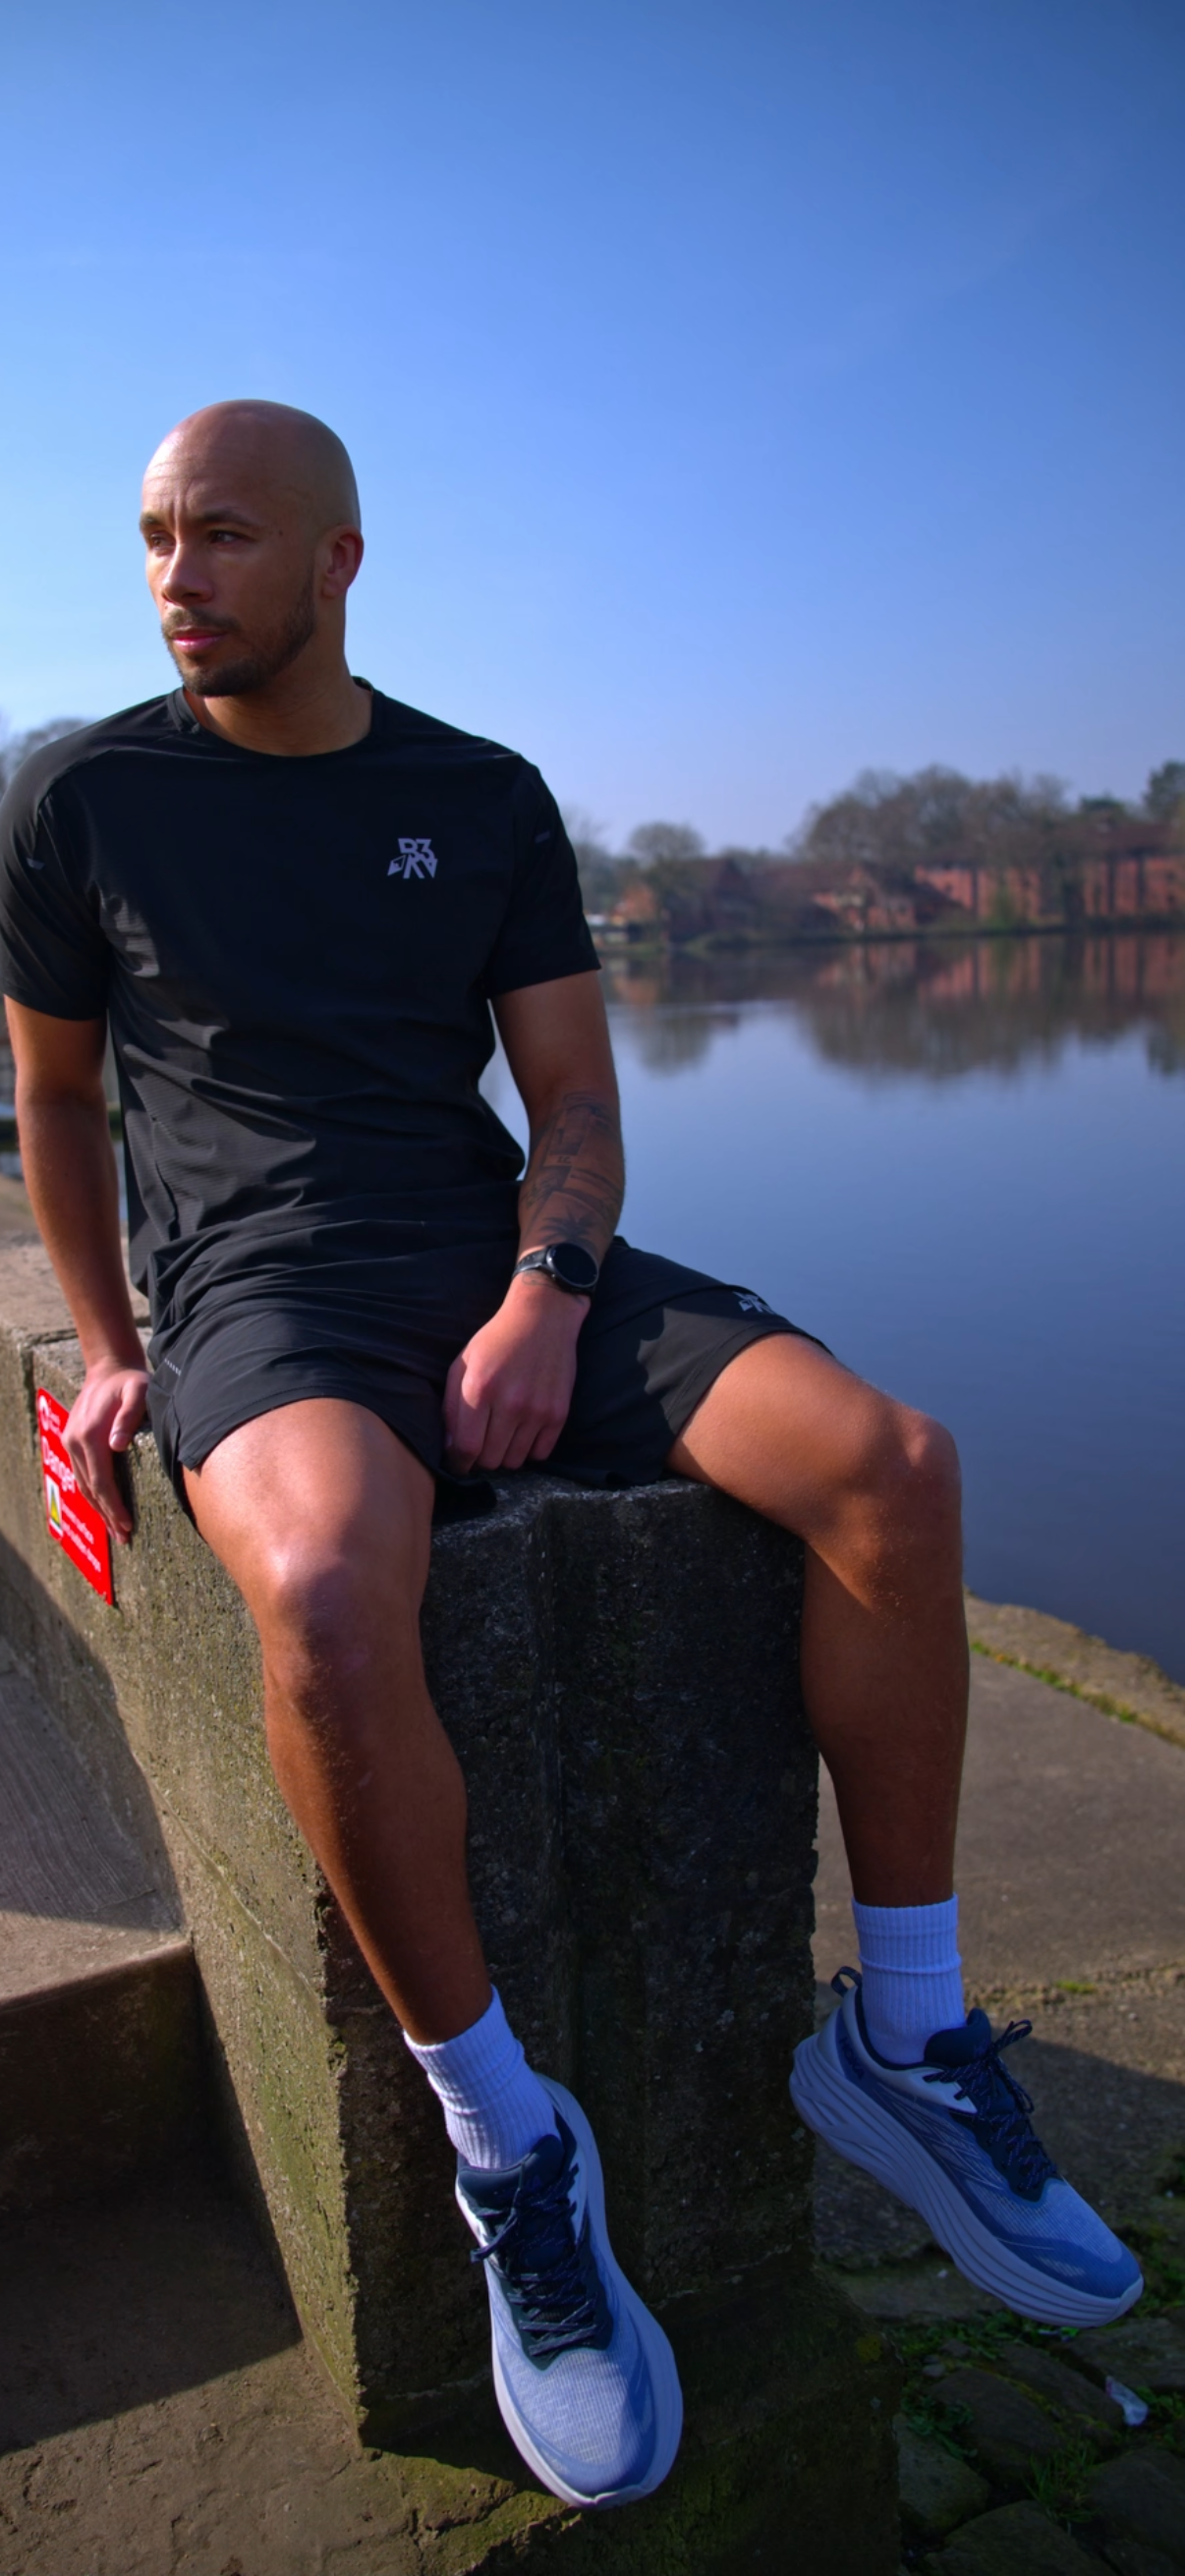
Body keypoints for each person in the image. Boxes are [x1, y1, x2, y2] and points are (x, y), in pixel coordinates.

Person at [0, 401, 1140, 2512]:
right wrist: (117, 1341)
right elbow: (58, 1102)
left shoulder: (479, 794)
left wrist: (544, 1293)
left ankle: (903, 2036)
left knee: (892, 1465)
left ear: (340, 558)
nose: (174, 576)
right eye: (153, 536)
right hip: (265, 1288)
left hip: (494, 1247)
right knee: (327, 1592)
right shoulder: (79, 800)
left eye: (222, 535)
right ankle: (510, 2146)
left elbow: (578, 1109)